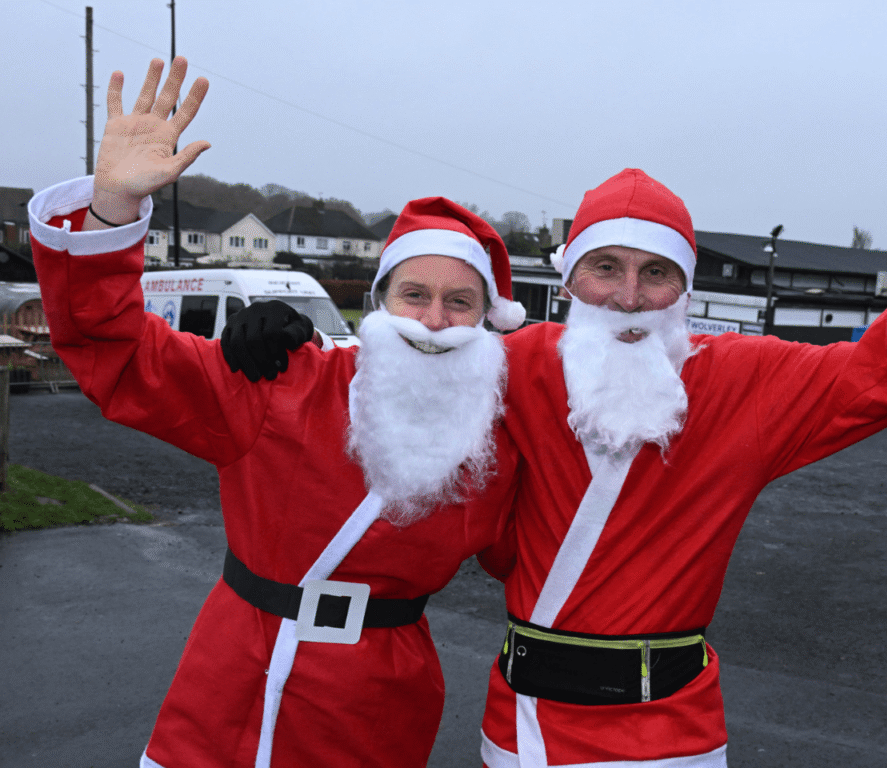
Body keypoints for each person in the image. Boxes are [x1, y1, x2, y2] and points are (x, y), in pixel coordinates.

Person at [227, 72, 887, 767]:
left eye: (655, 273)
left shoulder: (745, 380)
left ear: (685, 289)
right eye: (606, 267)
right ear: (569, 278)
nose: (629, 298)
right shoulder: (514, 363)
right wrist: (291, 346)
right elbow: (408, 359)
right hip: (520, 727)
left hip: (669, 735)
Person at [29, 57, 527, 768]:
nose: (433, 319)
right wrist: (111, 209)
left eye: (460, 302)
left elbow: (549, 560)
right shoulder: (282, 379)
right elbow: (117, 354)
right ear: (379, 304)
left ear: (486, 321)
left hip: (378, 710)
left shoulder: (496, 445)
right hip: (232, 686)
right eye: (414, 294)